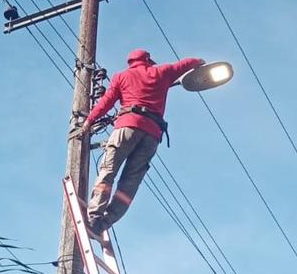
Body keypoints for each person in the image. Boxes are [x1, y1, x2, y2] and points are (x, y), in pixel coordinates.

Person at [81, 49, 204, 234]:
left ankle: (94, 216)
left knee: (108, 172)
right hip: (152, 135)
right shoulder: (161, 72)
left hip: (127, 127)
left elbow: (106, 102)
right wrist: (199, 61)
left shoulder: (122, 76)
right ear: (148, 60)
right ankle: (106, 222)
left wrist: (88, 122)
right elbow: (186, 63)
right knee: (130, 182)